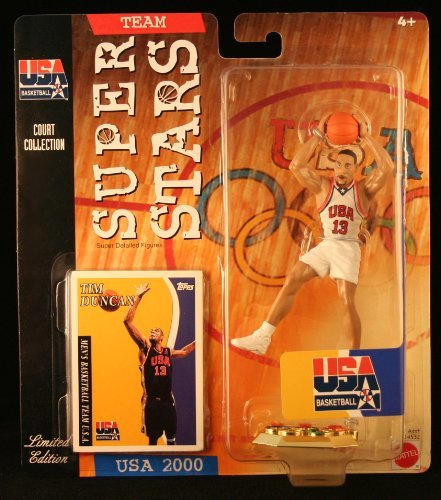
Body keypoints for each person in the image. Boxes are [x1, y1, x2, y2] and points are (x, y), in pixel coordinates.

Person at [231, 113, 394, 355]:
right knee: (293, 279)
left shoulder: (363, 189)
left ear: (355, 169)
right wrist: (319, 136)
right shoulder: (323, 186)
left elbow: (387, 167)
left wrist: (365, 136)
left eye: (348, 165)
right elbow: (297, 166)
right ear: (333, 166)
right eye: (338, 164)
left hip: (347, 247)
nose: (342, 169)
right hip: (327, 245)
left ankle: (354, 354)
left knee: (346, 299)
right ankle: (262, 337)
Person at [123, 283, 195, 445]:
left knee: (171, 438)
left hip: (168, 401)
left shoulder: (168, 352)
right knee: (153, 440)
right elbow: (127, 322)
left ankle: (173, 457)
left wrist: (200, 338)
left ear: (162, 337)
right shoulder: (146, 348)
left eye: (156, 330)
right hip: (151, 402)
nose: (152, 331)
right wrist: (138, 297)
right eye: (151, 330)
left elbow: (185, 351)